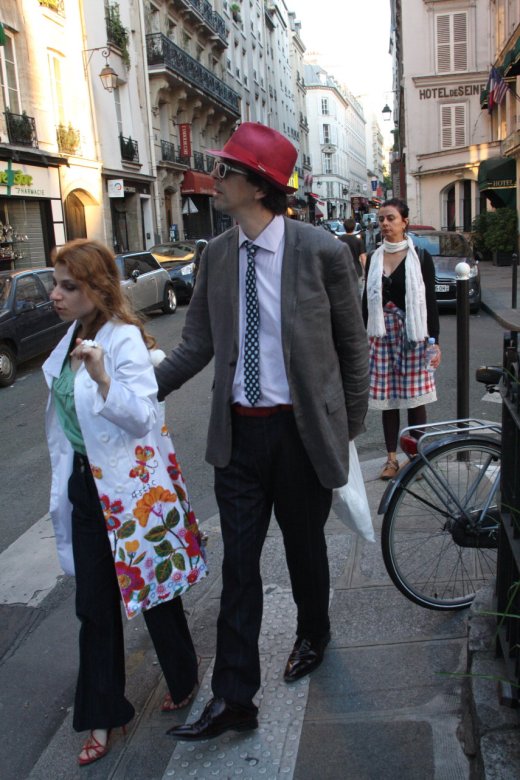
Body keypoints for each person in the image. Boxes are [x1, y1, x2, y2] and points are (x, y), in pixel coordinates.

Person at [155, 122, 369, 741]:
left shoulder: (321, 251)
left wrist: (344, 429)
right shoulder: (217, 255)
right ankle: (233, 699)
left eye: (224, 170)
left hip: (300, 434)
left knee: (305, 548)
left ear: (258, 185)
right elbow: (196, 344)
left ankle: (313, 633)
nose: (213, 178)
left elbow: (353, 349)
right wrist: (138, 388)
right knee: (240, 567)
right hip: (238, 438)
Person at [43, 239, 207, 766]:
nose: (55, 294)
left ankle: (182, 673)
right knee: (94, 606)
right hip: (85, 487)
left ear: (97, 288)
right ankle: (104, 712)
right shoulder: (71, 334)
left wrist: (102, 378)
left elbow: (142, 416)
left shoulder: (122, 339)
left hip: (129, 490)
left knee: (153, 591)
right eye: (56, 284)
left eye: (68, 286)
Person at [362, 198, 441, 480]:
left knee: (414, 399)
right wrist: (361, 337)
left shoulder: (420, 257)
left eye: (391, 218)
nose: (385, 223)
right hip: (381, 335)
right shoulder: (373, 258)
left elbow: (429, 302)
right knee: (388, 400)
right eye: (381, 219)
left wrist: (434, 341)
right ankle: (391, 459)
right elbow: (366, 300)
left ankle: (416, 457)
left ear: (404, 222)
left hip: (413, 334)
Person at [339, 217, 367, 290]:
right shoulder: (358, 241)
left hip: (343, 270)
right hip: (356, 270)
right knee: (358, 291)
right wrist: (366, 271)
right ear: (354, 227)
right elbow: (363, 258)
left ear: (344, 227)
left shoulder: (339, 240)